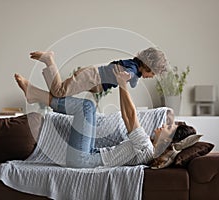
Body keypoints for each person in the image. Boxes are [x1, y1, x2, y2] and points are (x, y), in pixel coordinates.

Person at [14, 65, 195, 168]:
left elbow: (129, 116)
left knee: (86, 107)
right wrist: (121, 84)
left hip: (82, 161)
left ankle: (35, 95)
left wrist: (122, 84)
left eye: (169, 128)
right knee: (89, 107)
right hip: (90, 155)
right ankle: (35, 94)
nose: (163, 125)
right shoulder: (147, 147)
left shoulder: (147, 148)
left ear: (169, 141)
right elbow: (127, 115)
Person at [30, 47, 168, 98]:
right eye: (153, 74)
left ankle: (34, 95)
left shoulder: (135, 69)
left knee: (60, 94)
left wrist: (133, 78)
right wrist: (129, 76)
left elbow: (133, 83)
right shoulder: (132, 67)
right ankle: (49, 61)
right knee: (59, 92)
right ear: (147, 66)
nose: (151, 77)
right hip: (92, 77)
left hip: (93, 80)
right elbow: (131, 74)